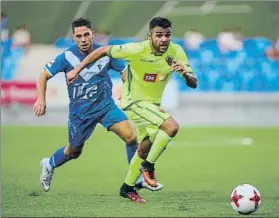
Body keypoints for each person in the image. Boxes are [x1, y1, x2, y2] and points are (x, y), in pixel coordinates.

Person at [66, 17, 197, 202]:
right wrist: (77, 69)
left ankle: (127, 187)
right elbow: (103, 50)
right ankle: (148, 167)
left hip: (152, 105)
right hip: (133, 101)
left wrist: (184, 73)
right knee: (171, 127)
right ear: (149, 35)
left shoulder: (176, 51)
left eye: (167, 35)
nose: (164, 39)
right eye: (159, 35)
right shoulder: (136, 49)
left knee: (145, 146)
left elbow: (193, 83)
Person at [33, 17, 159, 202]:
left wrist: (127, 91)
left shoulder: (105, 53)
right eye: (78, 36)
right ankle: (49, 164)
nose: (83, 39)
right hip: (81, 113)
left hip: (105, 107)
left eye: (86, 34)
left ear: (92, 34)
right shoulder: (66, 57)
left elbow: (124, 72)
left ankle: (137, 178)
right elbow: (43, 76)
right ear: (74, 38)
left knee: (131, 137)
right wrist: (41, 100)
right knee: (73, 152)